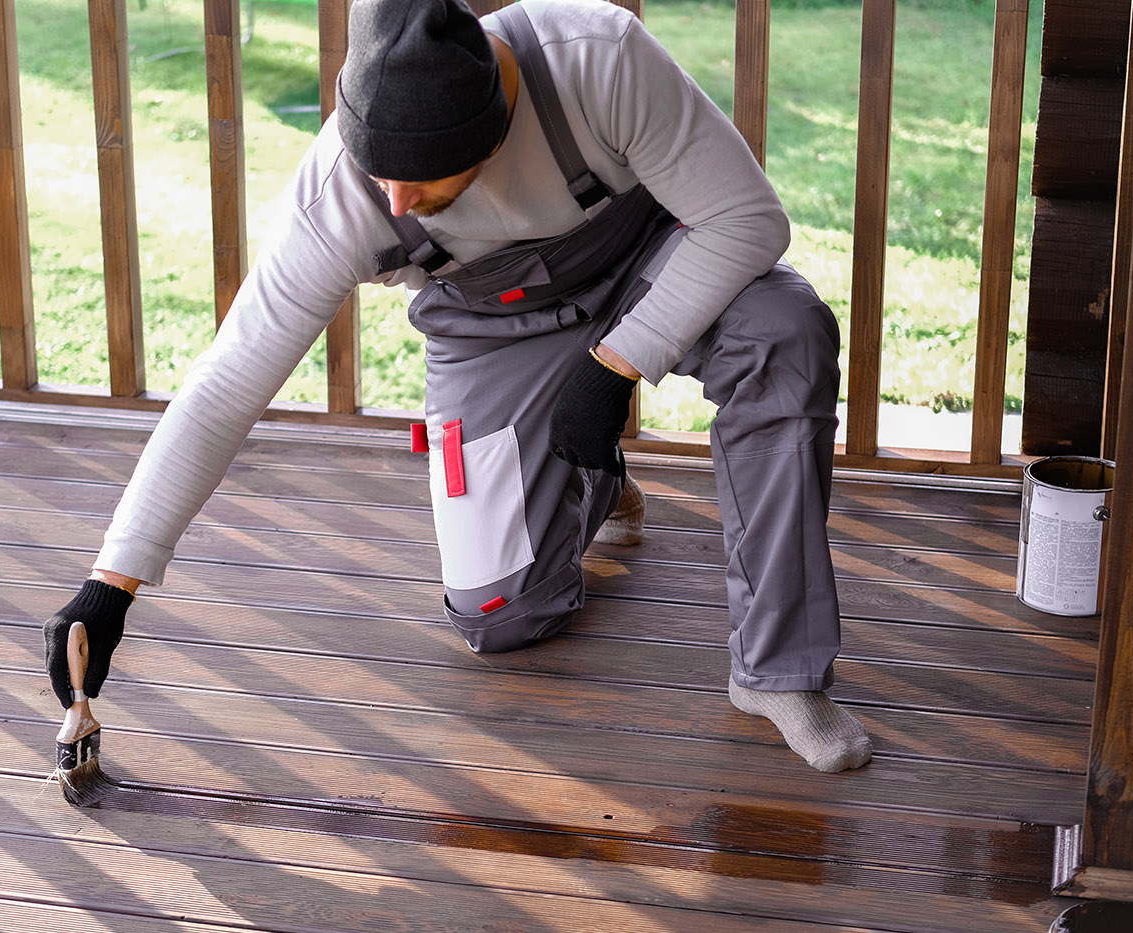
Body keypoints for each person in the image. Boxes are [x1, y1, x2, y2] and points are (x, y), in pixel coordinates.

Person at [43, 0, 872, 773]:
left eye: (425, 180)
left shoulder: (599, 59)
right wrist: (111, 582)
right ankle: (594, 478)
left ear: (495, 119)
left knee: (785, 331)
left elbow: (748, 220)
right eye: (382, 177)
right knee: (499, 615)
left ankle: (779, 668)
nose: (396, 201)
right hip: (491, 325)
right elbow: (227, 383)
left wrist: (618, 363)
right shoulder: (340, 189)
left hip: (651, 268)